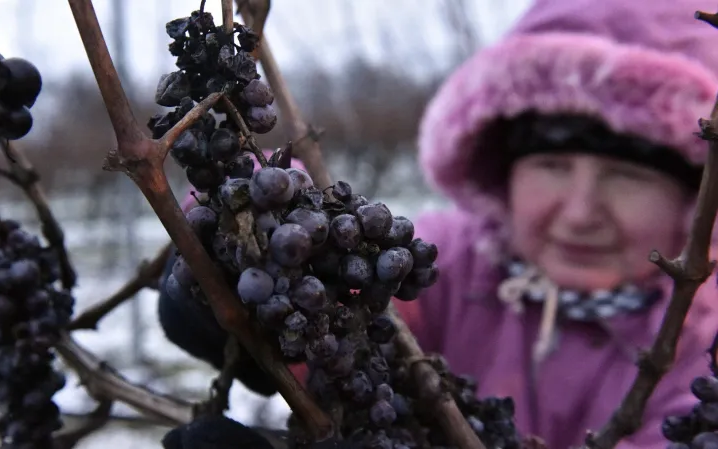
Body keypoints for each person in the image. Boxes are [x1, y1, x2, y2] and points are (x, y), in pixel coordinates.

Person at [157, 0, 718, 447]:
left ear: (696, 195)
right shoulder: (453, 259)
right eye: (551, 165)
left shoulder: (702, 358)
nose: (578, 211)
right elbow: (346, 299)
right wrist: (245, 246)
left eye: (626, 177)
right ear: (504, 169)